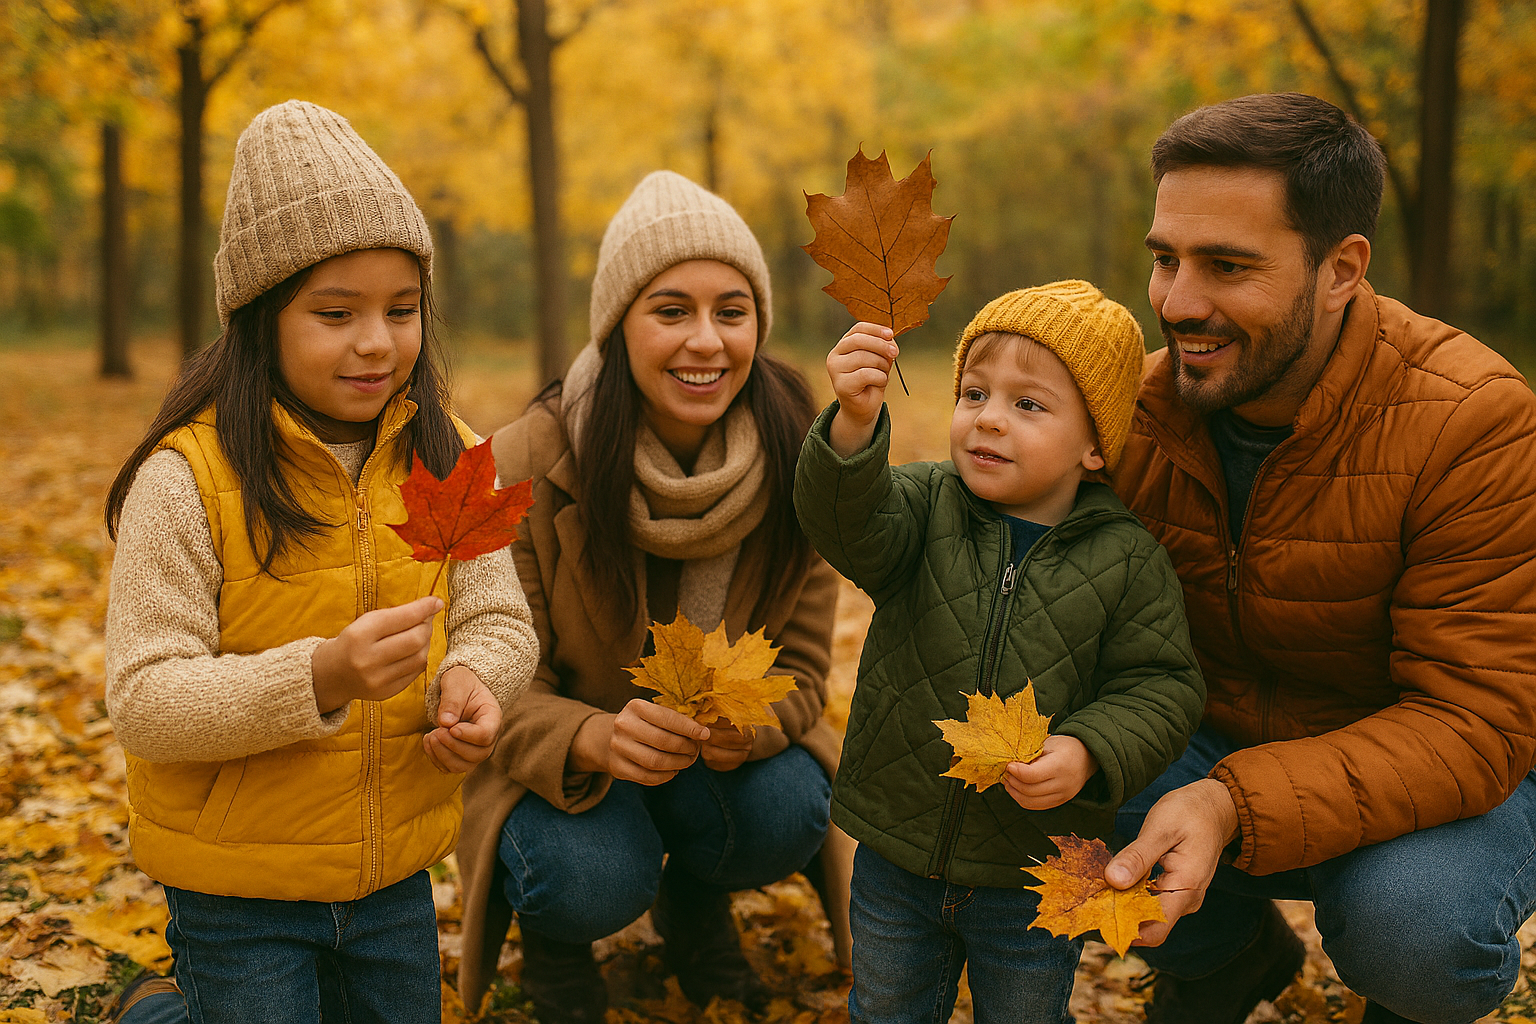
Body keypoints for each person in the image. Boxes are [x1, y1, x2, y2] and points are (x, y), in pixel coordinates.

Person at [100, 100, 539, 1024]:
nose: (376, 341)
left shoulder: (446, 454)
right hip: (238, 890)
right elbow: (145, 699)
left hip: (392, 876)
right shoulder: (187, 481)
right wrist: (320, 675)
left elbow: (499, 617)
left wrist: (475, 679)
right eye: (335, 313)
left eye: (402, 309)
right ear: (260, 320)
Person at [1105, 92, 1536, 1024]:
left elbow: (1476, 721)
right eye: (1166, 260)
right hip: (1213, 735)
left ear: (1341, 268)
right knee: (1037, 771)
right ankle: (1222, 963)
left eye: (1227, 266)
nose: (1178, 303)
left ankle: (1404, 1000)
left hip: (1441, 764)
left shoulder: (1474, 419)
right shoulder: (1136, 412)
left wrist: (1229, 803)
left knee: (1416, 927)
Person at [455, 170, 847, 1023]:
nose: (706, 341)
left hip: (706, 762)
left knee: (790, 806)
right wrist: (592, 736)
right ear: (619, 325)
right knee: (590, 876)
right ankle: (556, 943)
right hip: (563, 770)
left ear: (758, 325)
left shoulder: (797, 462)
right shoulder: (523, 462)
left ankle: (697, 907)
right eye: (671, 311)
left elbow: (809, 671)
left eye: (731, 312)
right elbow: (486, 675)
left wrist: (749, 730)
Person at [794, 282, 1206, 1024]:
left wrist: (1087, 749)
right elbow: (843, 523)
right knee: (886, 1006)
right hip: (898, 846)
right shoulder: (923, 507)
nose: (988, 418)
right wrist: (854, 427)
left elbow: (1162, 687)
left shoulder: (1127, 561)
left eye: (1028, 404)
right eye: (974, 393)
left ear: (1093, 445)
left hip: (1033, 865)